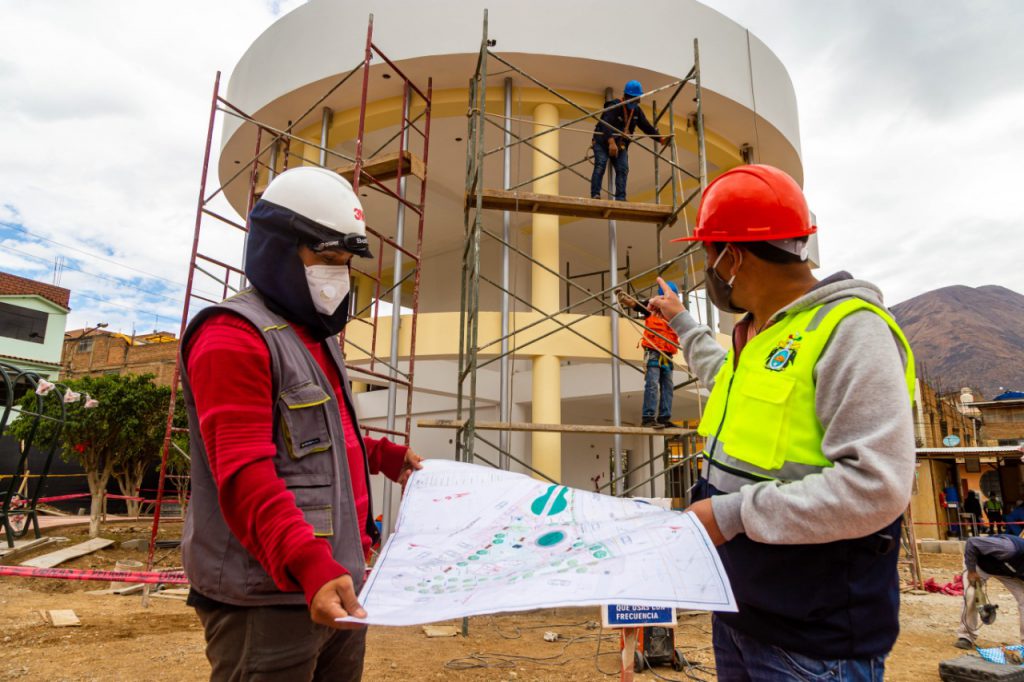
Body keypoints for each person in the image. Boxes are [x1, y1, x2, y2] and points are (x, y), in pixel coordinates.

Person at [648, 164, 916, 680]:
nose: (710, 267)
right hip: (741, 611)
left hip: (812, 640)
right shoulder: (762, 336)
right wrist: (680, 319)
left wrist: (729, 515)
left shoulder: (849, 331)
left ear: (732, 256)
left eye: (709, 253)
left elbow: (877, 487)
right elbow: (723, 377)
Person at [180, 166, 424, 682]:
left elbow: (321, 431)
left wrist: (382, 455)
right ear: (277, 249)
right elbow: (244, 473)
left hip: (334, 583)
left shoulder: (316, 337)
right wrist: (307, 562)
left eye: (345, 262)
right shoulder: (232, 336)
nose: (339, 273)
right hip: (267, 599)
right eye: (328, 258)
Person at [589, 80, 667, 201]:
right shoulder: (614, 106)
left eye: (636, 99)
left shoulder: (636, 111)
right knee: (601, 164)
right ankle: (595, 194)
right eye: (632, 98)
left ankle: (621, 198)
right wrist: (611, 142)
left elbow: (646, 127)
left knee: (623, 168)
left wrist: (660, 139)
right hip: (602, 142)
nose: (634, 101)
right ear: (625, 96)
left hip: (620, 144)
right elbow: (605, 124)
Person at [616, 282, 680, 428]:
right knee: (652, 384)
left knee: (667, 386)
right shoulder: (652, 306)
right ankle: (648, 418)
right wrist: (623, 297)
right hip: (653, 351)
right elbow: (635, 304)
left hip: (667, 354)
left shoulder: (675, 312)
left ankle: (664, 418)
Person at [954, 535, 1024, 649]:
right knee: (971, 595)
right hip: (979, 565)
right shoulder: (1008, 548)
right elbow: (972, 543)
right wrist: (971, 571)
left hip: (1007, 572)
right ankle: (965, 636)